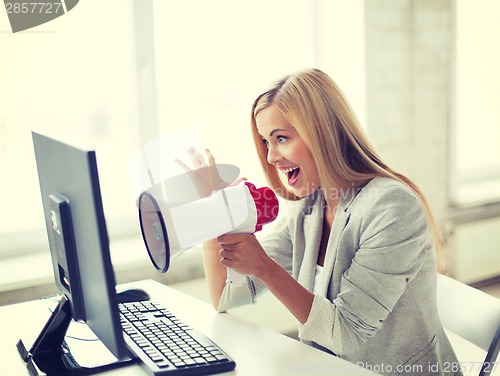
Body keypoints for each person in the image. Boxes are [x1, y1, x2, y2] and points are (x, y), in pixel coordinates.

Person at [199, 68, 461, 375]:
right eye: (266, 142)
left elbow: (346, 333)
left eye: (281, 138)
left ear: (322, 134)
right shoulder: (310, 206)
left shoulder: (393, 207)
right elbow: (226, 296)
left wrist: (265, 268)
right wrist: (212, 214)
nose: (271, 157)